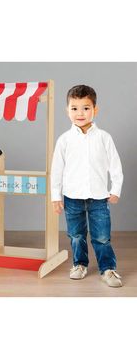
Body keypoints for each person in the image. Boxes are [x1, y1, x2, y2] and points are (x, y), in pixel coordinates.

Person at [51, 84, 124, 287]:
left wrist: (115, 189)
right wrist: (56, 196)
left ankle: (108, 269)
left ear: (95, 110)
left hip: (99, 198)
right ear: (67, 111)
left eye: (85, 108)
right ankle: (80, 264)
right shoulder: (64, 140)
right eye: (74, 108)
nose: (80, 113)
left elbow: (115, 166)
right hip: (72, 197)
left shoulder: (104, 138)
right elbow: (57, 169)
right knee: (76, 235)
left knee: (101, 236)